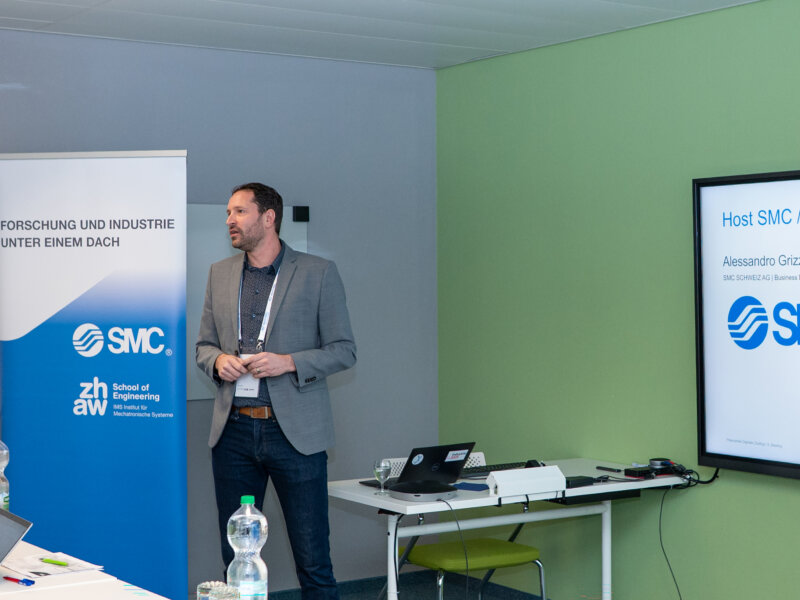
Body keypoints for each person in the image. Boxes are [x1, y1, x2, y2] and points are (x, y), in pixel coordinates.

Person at [196, 182, 356, 600]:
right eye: (228, 213)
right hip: (233, 433)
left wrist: (289, 362)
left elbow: (344, 350)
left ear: (268, 218)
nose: (230, 220)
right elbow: (203, 346)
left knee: (313, 561)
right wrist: (218, 361)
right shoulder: (219, 273)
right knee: (236, 561)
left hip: (295, 435)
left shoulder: (318, 272)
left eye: (239, 212)